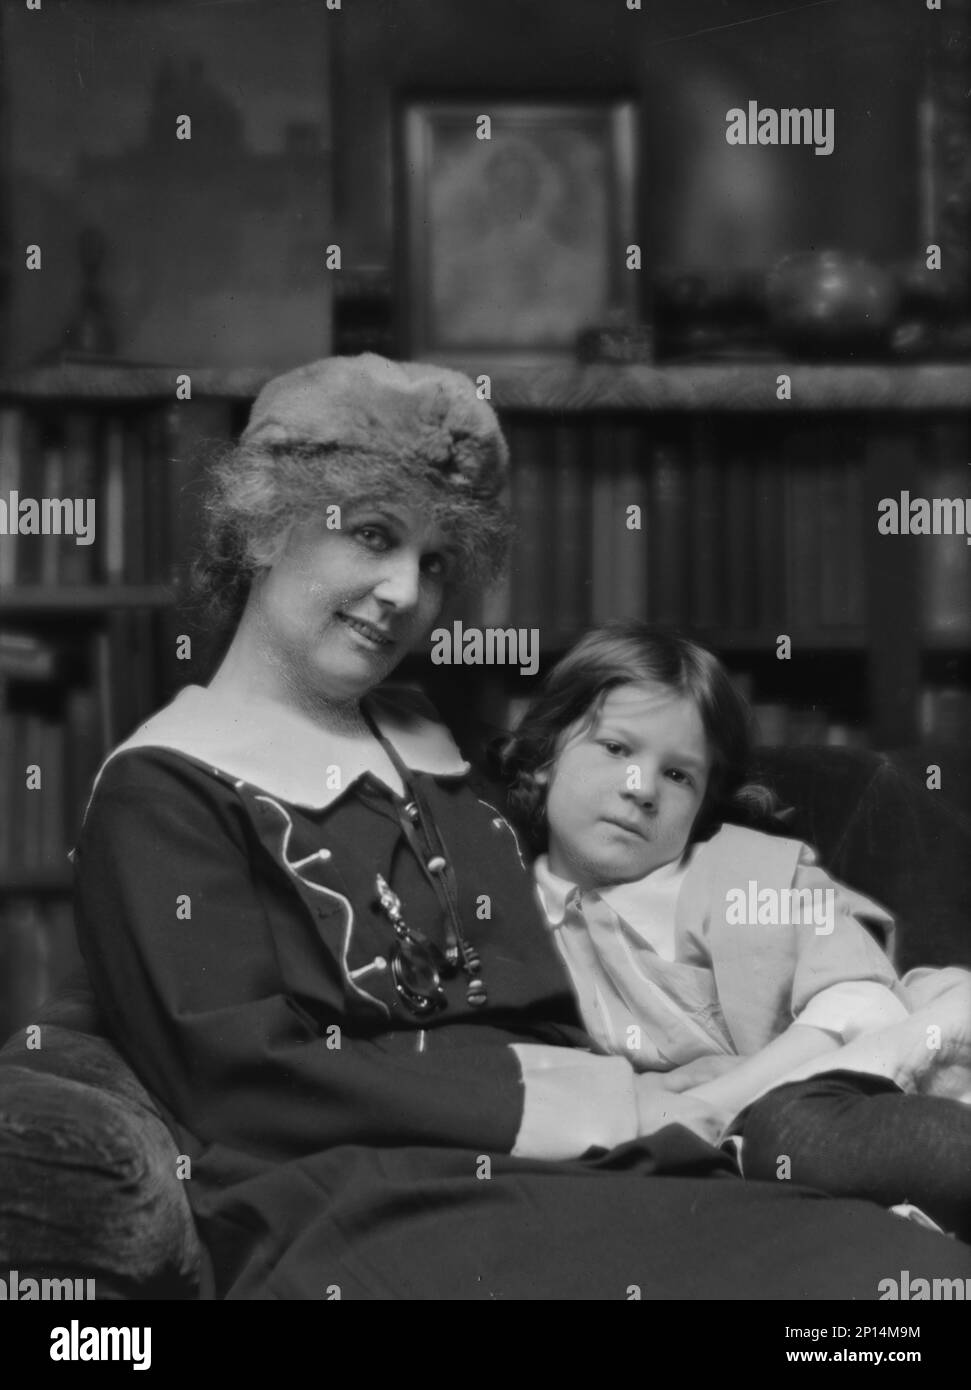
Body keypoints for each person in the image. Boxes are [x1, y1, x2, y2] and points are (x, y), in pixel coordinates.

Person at [74, 354, 971, 1299]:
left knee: (909, 1283)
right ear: (263, 527)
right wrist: (604, 1104)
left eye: (432, 564)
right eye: (371, 537)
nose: (401, 595)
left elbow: (570, 928)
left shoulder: (438, 746)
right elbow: (243, 1080)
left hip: (575, 1158)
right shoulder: (161, 791)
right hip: (351, 1193)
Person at [501, 622, 971, 1240]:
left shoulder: (741, 871)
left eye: (678, 775)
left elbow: (864, 1002)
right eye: (617, 749)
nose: (642, 790)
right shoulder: (511, 909)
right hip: (758, 1157)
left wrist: (722, 1101)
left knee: (793, 1129)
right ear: (541, 760)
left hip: (896, 1064)